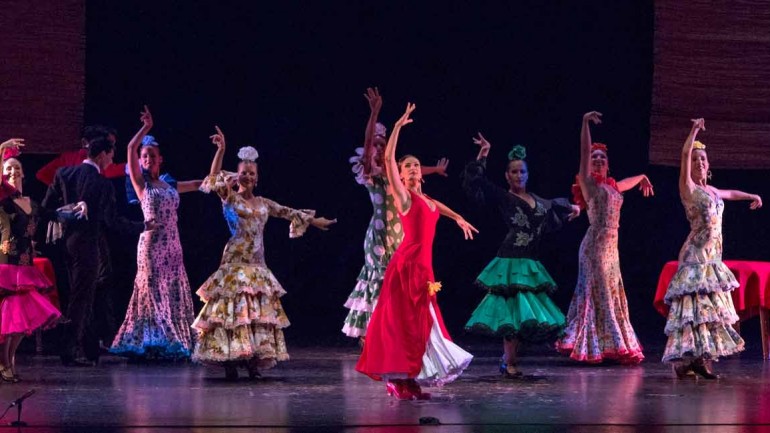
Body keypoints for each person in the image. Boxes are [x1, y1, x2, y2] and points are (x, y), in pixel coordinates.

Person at [192, 127, 336, 380]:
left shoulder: (263, 203)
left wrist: (315, 221)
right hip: (235, 263)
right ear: (237, 176)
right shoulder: (229, 197)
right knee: (233, 314)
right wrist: (221, 150)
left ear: (256, 178)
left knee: (255, 315)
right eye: (243, 173)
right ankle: (229, 361)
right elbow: (213, 178)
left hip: (257, 264)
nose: (247, 176)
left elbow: (289, 212)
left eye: (251, 173)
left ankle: (253, 361)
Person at [356, 103, 475, 400]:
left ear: (421, 173)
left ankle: (410, 377)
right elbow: (387, 157)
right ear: (401, 173)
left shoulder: (427, 199)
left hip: (424, 270)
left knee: (422, 325)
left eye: (415, 166)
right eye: (406, 166)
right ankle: (396, 378)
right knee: (403, 324)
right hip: (405, 267)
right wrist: (396, 127)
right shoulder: (403, 195)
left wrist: (458, 217)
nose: (411, 168)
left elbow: (438, 208)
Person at [463, 134, 579, 377]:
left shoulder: (538, 200)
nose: (519, 176)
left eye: (522, 172)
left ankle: (508, 359)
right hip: (510, 261)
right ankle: (509, 361)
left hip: (530, 263)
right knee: (512, 315)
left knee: (525, 316)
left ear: (527, 174)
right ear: (507, 176)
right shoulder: (505, 197)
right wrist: (484, 153)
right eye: (514, 172)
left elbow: (555, 206)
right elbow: (476, 181)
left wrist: (575, 207)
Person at [343, 87, 448, 342]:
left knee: (400, 283)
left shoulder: (398, 177)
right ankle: (372, 334)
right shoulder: (372, 174)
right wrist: (375, 113)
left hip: (400, 235)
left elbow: (412, 169)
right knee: (379, 280)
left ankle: (396, 330)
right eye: (376, 145)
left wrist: (435, 169)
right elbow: (368, 148)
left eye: (383, 144)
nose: (378, 148)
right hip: (378, 236)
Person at [663, 118, 762, 378]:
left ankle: (699, 360)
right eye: (695, 160)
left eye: (703, 159)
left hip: (712, 258)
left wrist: (753, 196)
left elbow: (731, 193)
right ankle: (687, 360)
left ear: (709, 165)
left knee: (708, 312)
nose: (699, 163)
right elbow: (684, 153)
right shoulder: (689, 188)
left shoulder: (713, 191)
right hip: (695, 257)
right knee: (694, 311)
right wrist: (694, 129)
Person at [556, 111, 653, 364]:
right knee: (599, 294)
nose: (597, 160)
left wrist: (642, 176)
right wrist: (585, 123)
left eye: (602, 158)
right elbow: (584, 152)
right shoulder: (589, 184)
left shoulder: (613, 186)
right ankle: (593, 346)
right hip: (595, 247)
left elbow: (627, 183)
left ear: (608, 165)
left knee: (610, 292)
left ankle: (608, 344)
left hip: (612, 249)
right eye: (594, 158)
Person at [42, 136, 146, 366]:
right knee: (81, 298)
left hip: (66, 243)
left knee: (82, 295)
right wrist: (143, 226)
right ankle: (68, 350)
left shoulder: (64, 174)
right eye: (110, 155)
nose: (111, 160)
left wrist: (65, 212)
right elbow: (113, 221)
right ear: (101, 155)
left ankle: (89, 349)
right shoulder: (102, 183)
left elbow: (46, 209)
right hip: (88, 244)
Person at [111, 106, 201, 359]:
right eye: (144, 156)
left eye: (152, 155)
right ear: (140, 161)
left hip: (173, 246)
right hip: (151, 245)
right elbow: (130, 149)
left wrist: (225, 177)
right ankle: (150, 342)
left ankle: (173, 339)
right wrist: (146, 128)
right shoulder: (140, 184)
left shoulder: (169, 183)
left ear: (161, 159)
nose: (148, 159)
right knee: (151, 291)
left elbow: (197, 184)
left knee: (172, 291)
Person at [0, 141, 85, 381]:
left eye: (16, 169)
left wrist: (76, 207)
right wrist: (3, 147)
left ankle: (7, 361)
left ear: (23, 173)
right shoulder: (2, 200)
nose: (12, 173)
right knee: (6, 323)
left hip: (24, 267)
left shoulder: (31, 204)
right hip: (5, 264)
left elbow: (54, 215)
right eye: (8, 169)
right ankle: (4, 363)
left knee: (19, 325)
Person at [36, 125, 125, 186]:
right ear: (85, 142)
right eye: (108, 144)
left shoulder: (69, 157)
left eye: (113, 145)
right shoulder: (72, 158)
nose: (111, 149)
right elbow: (42, 174)